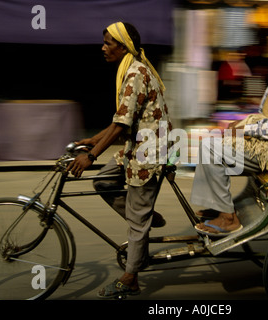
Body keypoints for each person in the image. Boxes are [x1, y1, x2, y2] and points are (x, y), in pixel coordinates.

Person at [67, 21, 172, 298]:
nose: (103, 48)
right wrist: (93, 139)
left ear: (123, 47)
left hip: (149, 150)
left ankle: (131, 278)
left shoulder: (135, 72)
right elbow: (122, 119)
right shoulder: (131, 68)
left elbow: (121, 126)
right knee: (103, 181)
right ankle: (146, 219)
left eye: (108, 43)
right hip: (136, 145)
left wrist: (91, 155)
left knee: (136, 219)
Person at [190, 18, 268, 236]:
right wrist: (242, 123)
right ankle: (217, 205)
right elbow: (265, 115)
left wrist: (243, 130)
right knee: (210, 142)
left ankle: (228, 218)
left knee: (211, 150)